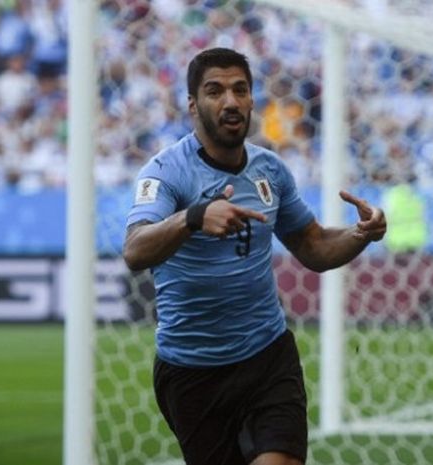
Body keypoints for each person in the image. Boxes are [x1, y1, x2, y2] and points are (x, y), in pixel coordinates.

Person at [122, 48, 387, 465]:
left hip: (267, 356)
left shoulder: (271, 171)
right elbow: (135, 250)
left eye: (239, 90)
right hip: (192, 370)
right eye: (214, 91)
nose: (229, 101)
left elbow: (313, 246)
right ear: (193, 105)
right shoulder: (166, 172)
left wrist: (360, 234)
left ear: (251, 100)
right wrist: (192, 218)